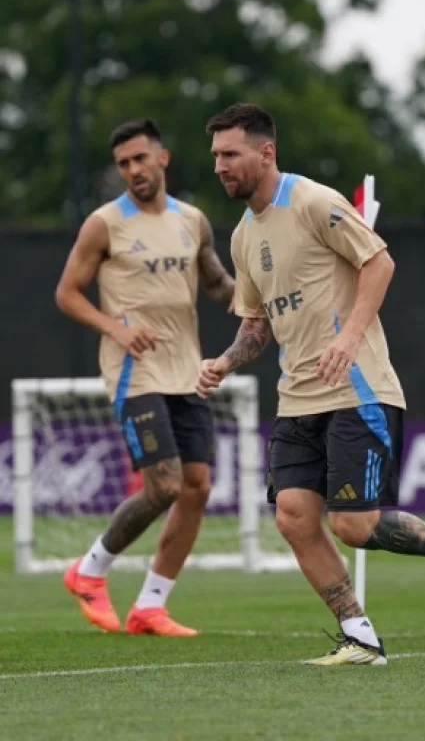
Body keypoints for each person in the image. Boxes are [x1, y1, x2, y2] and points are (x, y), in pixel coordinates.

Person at [197, 102, 425, 665]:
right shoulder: (243, 237)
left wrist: (349, 338)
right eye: (216, 155)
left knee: (352, 524)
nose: (220, 166)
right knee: (293, 515)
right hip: (297, 399)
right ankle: (360, 635)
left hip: (357, 389)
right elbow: (256, 325)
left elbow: (379, 263)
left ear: (266, 152)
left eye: (230, 154)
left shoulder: (314, 200)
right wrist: (225, 361)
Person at [56, 118, 234, 636]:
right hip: (135, 372)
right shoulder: (104, 224)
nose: (132, 170)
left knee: (197, 488)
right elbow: (67, 293)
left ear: (163, 159)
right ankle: (89, 571)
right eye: (123, 164)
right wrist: (115, 327)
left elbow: (218, 284)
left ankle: (150, 605)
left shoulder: (193, 220)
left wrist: (260, 295)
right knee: (164, 485)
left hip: (187, 369)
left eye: (140, 159)